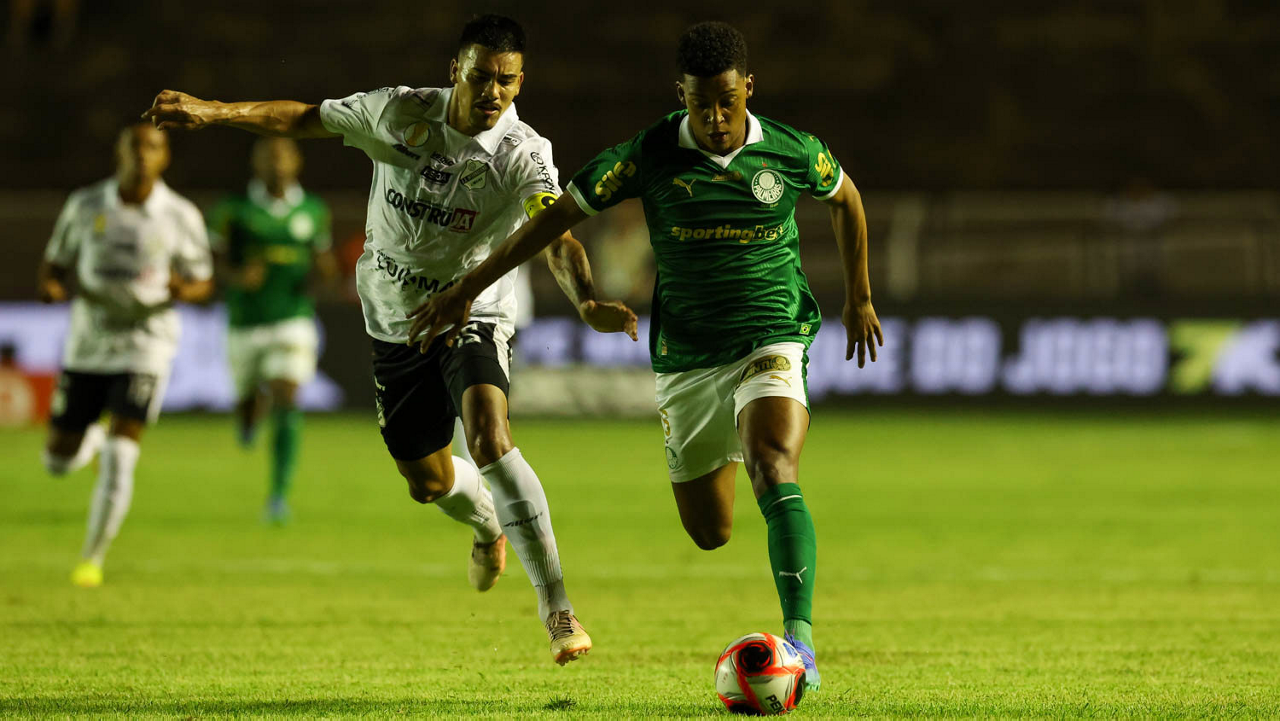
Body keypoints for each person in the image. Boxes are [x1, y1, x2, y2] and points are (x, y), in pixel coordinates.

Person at [143, 14, 636, 664]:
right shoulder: (398, 113)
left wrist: (587, 298)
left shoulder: (524, 153)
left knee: (490, 436)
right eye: (481, 77)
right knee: (427, 481)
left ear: (520, 83)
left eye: (507, 81)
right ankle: (487, 521)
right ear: (455, 71)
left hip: (474, 311)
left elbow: (556, 233)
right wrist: (213, 112)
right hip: (393, 316)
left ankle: (558, 609)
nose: (492, 92)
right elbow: (304, 118)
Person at [406, 21, 884, 691]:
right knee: (710, 531)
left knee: (774, 463)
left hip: (771, 333)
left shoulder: (790, 150)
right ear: (680, 94)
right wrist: (469, 287)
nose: (715, 118)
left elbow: (847, 199)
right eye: (700, 103)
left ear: (748, 88)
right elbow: (553, 219)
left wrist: (859, 297)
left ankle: (800, 643)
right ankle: (740, 454)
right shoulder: (648, 154)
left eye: (727, 101)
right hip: (686, 356)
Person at [36, 122, 214, 587]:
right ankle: (90, 440)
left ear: (165, 156)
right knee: (57, 461)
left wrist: (184, 290)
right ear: (120, 153)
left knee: (121, 456)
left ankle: (91, 559)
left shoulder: (179, 214)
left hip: (147, 341)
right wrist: (51, 286)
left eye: (152, 146)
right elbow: (54, 264)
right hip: (89, 342)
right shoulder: (85, 205)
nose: (142, 154)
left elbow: (203, 280)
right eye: (134, 146)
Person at [207, 137, 338, 524]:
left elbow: (323, 263)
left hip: (293, 319)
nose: (276, 163)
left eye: (283, 156)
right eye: (268, 157)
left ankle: (278, 495)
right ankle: (247, 417)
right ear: (256, 163)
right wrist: (236, 277)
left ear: (297, 163)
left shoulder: (313, 210)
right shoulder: (232, 211)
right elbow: (211, 263)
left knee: (286, 394)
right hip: (244, 322)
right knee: (248, 403)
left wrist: (326, 273)